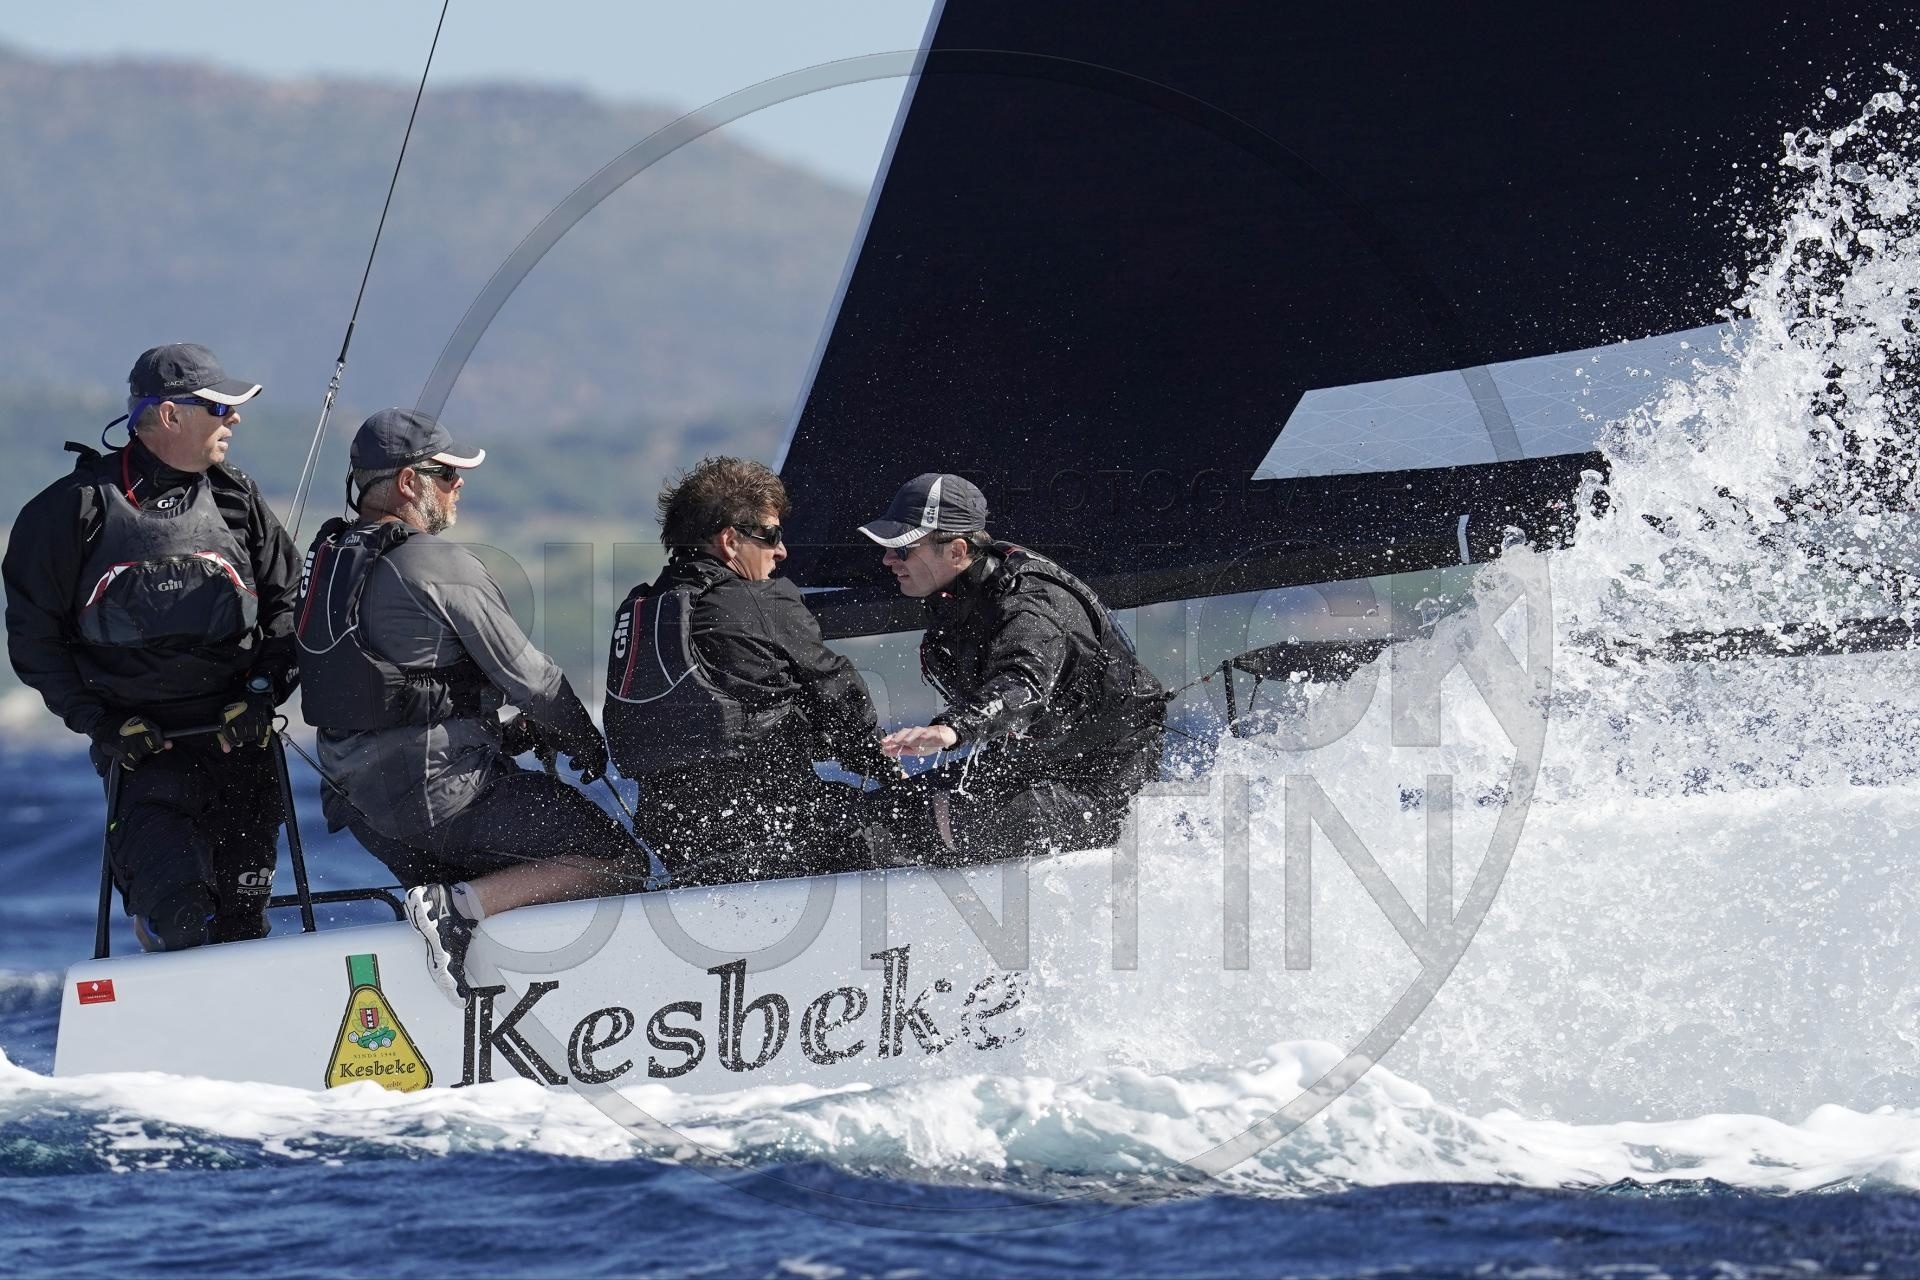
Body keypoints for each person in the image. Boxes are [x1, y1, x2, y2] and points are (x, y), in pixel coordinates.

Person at [297, 408, 642, 999]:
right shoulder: (437, 563)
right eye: (447, 473)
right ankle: (454, 910)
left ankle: (462, 946)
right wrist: (585, 739)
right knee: (615, 858)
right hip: (442, 800)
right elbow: (534, 680)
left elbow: (387, 698)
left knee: (519, 871)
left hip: (363, 812)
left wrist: (504, 734)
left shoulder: (331, 565)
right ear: (409, 482)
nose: (459, 485)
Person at [4, 343, 299, 950]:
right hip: (143, 756)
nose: (234, 419)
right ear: (169, 414)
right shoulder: (70, 510)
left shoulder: (239, 499)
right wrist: (101, 723)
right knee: (184, 921)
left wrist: (263, 693)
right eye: (219, 408)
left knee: (243, 927)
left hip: (241, 747)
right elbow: (34, 642)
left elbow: (290, 608)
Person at [604, 456, 896, 885]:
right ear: (730, 540)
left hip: (675, 837)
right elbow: (839, 692)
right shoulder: (761, 600)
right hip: (772, 824)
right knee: (913, 819)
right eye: (771, 535)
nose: (781, 550)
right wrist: (886, 768)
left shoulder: (644, 611)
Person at [859, 473, 1167, 861]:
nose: (887, 560)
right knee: (871, 815)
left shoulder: (1028, 605)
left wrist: (953, 728)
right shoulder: (961, 594)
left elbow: (1024, 682)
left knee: (918, 825)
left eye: (902, 549)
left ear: (956, 551)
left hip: (1101, 789)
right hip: (1038, 765)